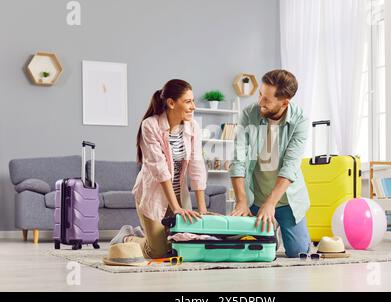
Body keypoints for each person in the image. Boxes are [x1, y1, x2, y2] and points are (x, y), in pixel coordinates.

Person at [110, 79, 209, 259]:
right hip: (154, 195)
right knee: (157, 252)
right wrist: (176, 208)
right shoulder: (150, 125)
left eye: (193, 101)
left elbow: (197, 165)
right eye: (188, 101)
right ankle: (127, 236)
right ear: (171, 103)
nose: (193, 106)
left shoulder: (193, 127)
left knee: (182, 246)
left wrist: (202, 209)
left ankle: (148, 234)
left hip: (178, 195)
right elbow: (160, 170)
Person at [229, 69, 311, 258]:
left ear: (284, 102)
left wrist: (271, 204)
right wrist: (242, 202)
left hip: (286, 200)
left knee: (298, 252)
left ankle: (282, 228)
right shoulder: (249, 114)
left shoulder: (300, 120)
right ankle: (270, 232)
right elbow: (237, 159)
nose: (260, 102)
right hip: (254, 198)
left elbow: (290, 166)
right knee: (255, 251)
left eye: (267, 99)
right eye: (260, 95)